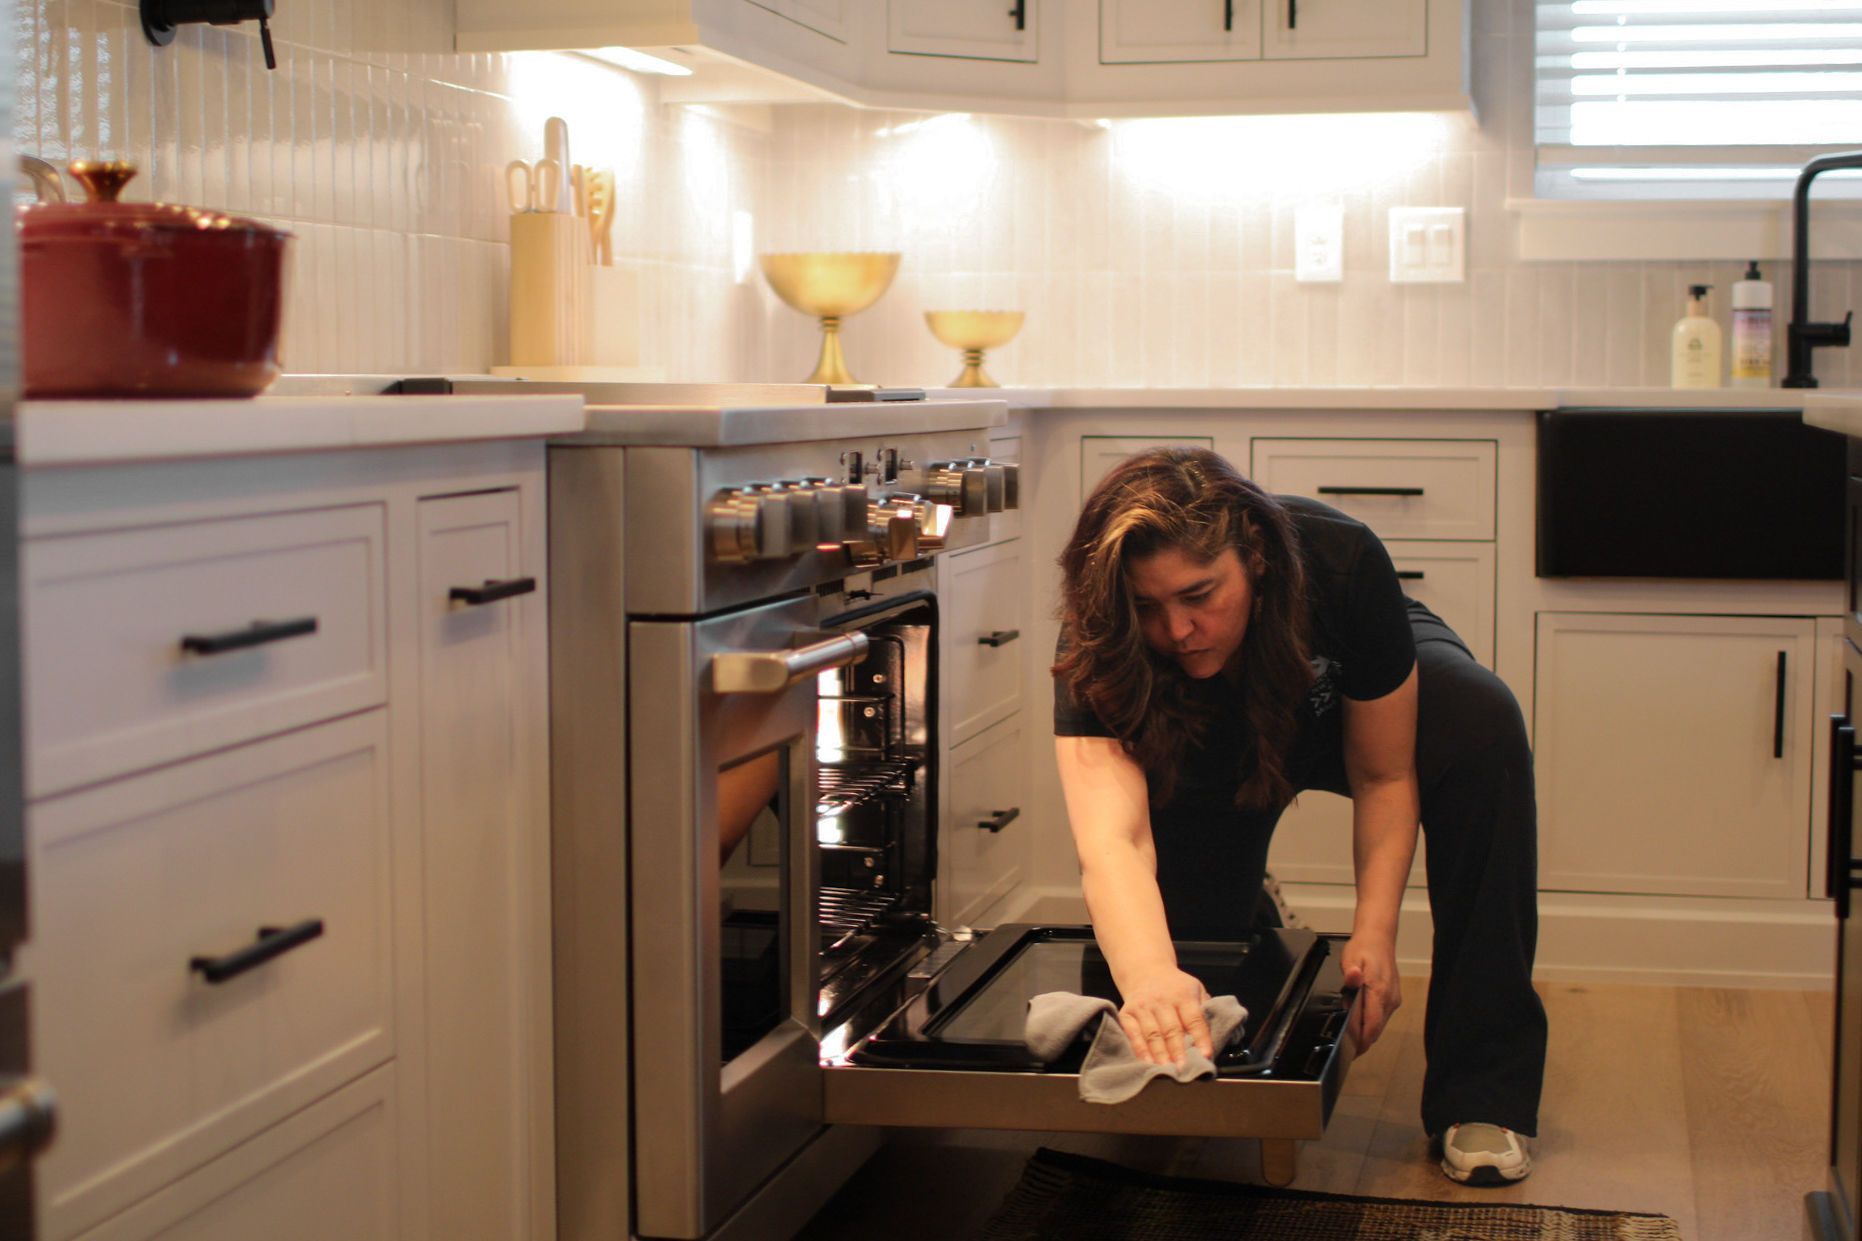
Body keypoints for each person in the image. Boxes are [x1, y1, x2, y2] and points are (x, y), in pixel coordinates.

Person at [1051, 447, 1546, 1186]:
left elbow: (1383, 773)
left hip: (1339, 685)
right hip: (1204, 721)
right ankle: (1246, 909)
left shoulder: (1340, 560)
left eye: (1199, 593)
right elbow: (1113, 840)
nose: (1179, 627)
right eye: (1150, 606)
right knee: (1174, 960)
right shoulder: (1106, 634)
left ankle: (1482, 1091)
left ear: (1251, 556)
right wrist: (1152, 974)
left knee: (1481, 725)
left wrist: (1375, 933)